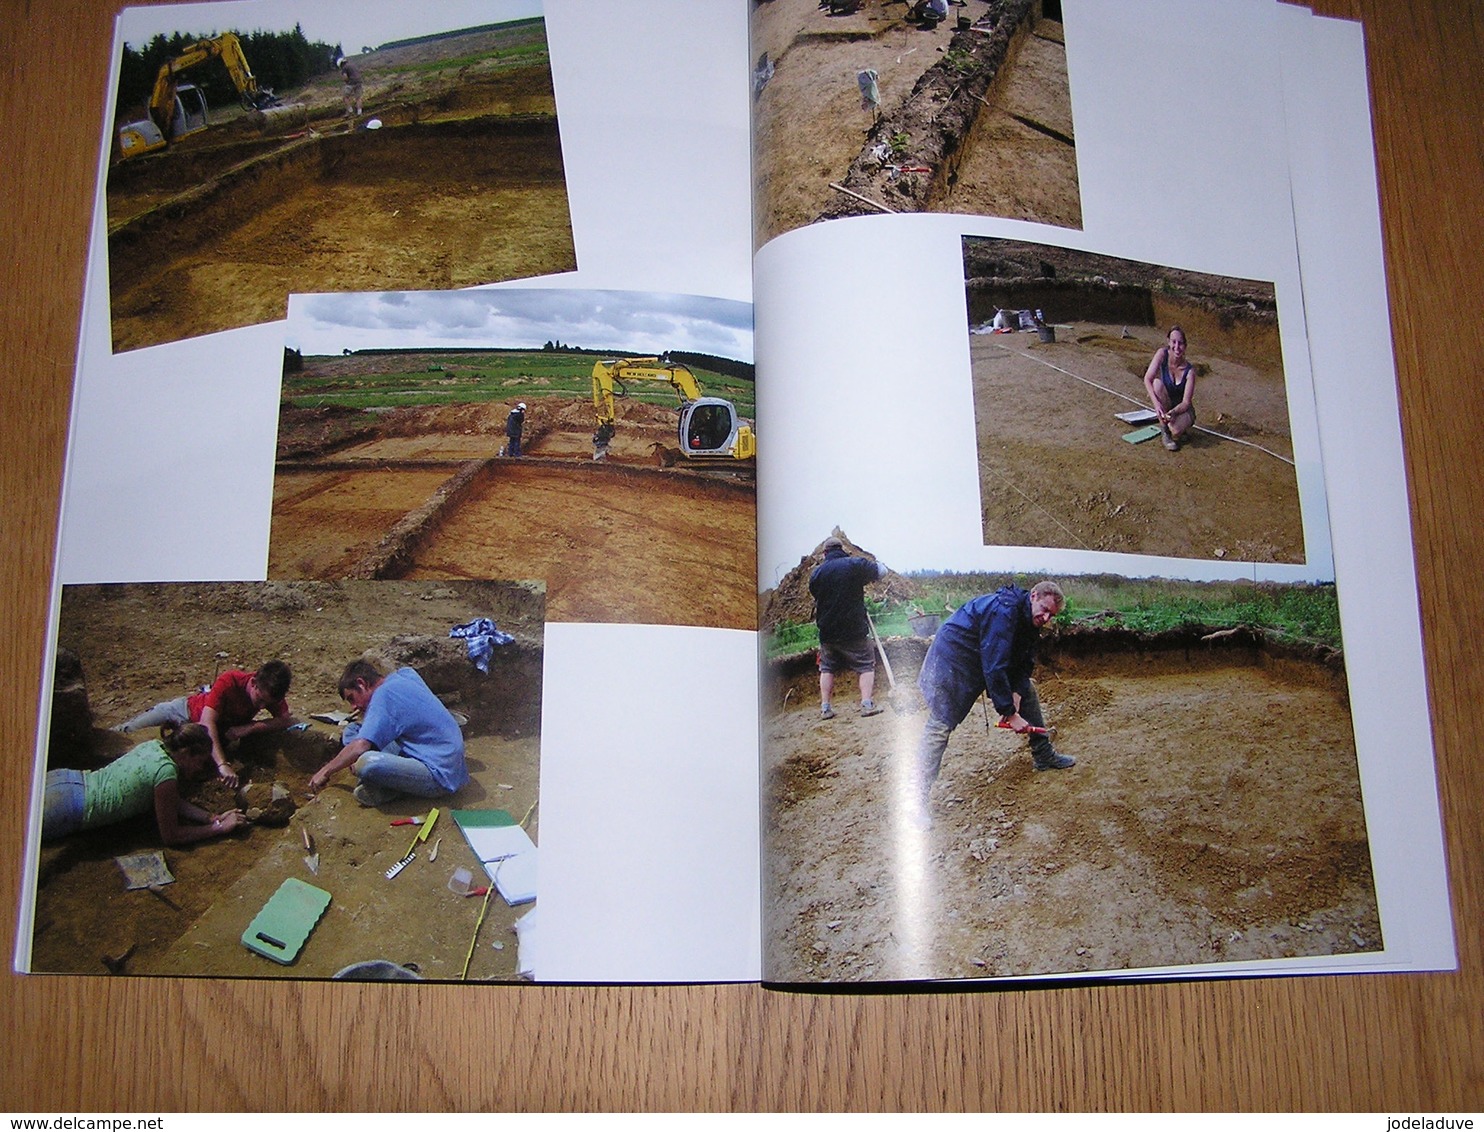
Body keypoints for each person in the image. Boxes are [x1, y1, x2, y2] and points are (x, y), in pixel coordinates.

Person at [912, 581, 1075, 822]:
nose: (1047, 617)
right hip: (952, 662)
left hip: (980, 657)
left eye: (1052, 614)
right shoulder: (1004, 611)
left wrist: (1017, 696)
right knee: (941, 724)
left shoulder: (1029, 617)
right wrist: (1010, 714)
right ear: (1033, 596)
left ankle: (1043, 754)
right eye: (1044, 609)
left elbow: (1024, 661)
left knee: (1027, 689)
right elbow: (995, 666)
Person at [42, 721, 247, 845]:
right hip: (70, 807)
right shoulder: (166, 773)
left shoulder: (155, 747)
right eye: (199, 761)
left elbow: (171, 801)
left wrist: (212, 818)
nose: (200, 769)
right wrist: (219, 829)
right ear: (185, 753)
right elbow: (172, 836)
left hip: (68, 780)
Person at [308, 659, 468, 807]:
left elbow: (360, 746)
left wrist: (325, 770)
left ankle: (390, 788)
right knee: (352, 730)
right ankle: (390, 782)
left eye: (352, 698)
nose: (354, 707)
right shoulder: (405, 675)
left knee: (366, 762)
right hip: (439, 756)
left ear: (361, 683)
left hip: (440, 775)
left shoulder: (383, 695)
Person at [117, 661, 294, 789]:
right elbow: (207, 721)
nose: (262, 706)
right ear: (254, 683)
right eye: (260, 700)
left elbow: (286, 720)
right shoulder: (230, 680)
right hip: (182, 714)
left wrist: (250, 727)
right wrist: (222, 764)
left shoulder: (269, 692)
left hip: (198, 738)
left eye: (267, 703)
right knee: (127, 732)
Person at [809, 537, 889, 719]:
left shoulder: (816, 574)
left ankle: (825, 708)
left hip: (827, 631)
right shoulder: (855, 564)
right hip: (854, 629)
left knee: (827, 668)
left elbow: (815, 593)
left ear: (825, 553)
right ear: (842, 548)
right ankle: (867, 704)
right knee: (866, 664)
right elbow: (882, 571)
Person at [1143, 325, 1196, 451]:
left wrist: (1174, 412)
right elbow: (1147, 379)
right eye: (1174, 342)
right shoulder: (1162, 354)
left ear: (1185, 346)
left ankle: (1179, 429)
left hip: (1182, 409)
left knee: (1176, 430)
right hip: (1167, 401)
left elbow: (1186, 402)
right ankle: (1164, 431)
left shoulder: (1190, 372)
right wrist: (1157, 405)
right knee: (1157, 384)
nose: (1177, 347)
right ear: (1168, 342)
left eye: (1181, 343)